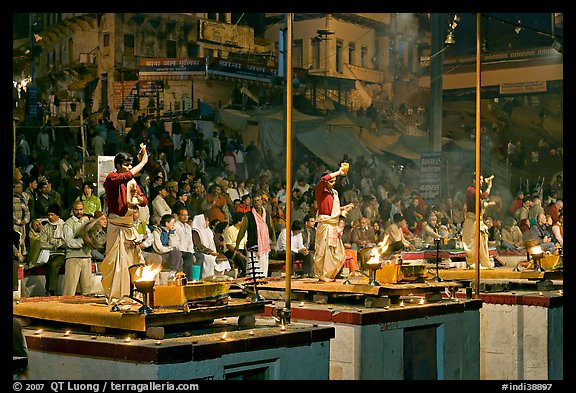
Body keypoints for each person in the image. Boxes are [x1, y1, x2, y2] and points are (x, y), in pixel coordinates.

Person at [101, 147, 149, 304]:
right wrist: (143, 162)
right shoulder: (112, 178)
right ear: (118, 165)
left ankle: (133, 294)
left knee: (133, 263)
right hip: (117, 226)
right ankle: (117, 296)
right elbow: (127, 176)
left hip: (129, 227)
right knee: (116, 265)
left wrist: (138, 198)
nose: (129, 168)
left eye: (131, 165)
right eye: (126, 165)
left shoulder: (132, 182)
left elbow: (144, 200)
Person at [313, 163, 354, 282]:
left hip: (333, 225)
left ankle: (330, 274)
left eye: (335, 181)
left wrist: (344, 208)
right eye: (331, 181)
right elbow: (323, 179)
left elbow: (334, 210)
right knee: (323, 251)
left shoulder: (334, 193)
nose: (333, 183)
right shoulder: (320, 190)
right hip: (325, 225)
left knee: (336, 252)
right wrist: (339, 172)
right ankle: (323, 275)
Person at [235, 193, 277, 278]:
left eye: (258, 200)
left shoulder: (267, 215)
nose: (256, 203)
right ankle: (251, 288)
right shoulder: (248, 216)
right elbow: (242, 232)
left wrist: (274, 243)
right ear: (252, 203)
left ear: (262, 201)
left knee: (263, 270)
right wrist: (237, 244)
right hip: (253, 246)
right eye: (254, 201)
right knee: (252, 271)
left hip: (264, 247)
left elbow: (271, 229)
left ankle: (261, 288)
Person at [462, 173, 494, 268]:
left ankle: (483, 262)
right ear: (473, 180)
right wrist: (489, 187)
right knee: (471, 244)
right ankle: (472, 263)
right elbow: (484, 196)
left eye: (481, 180)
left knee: (482, 241)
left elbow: (481, 203)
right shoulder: (470, 190)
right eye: (479, 180)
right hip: (471, 220)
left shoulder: (477, 190)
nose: (481, 182)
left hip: (478, 220)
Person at [62, 200, 93, 296]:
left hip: (87, 256)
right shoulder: (69, 223)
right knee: (70, 289)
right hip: (73, 257)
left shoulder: (86, 222)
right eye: (76, 210)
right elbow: (69, 242)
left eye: (81, 209)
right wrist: (84, 241)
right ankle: (65, 310)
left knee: (87, 289)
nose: (79, 212)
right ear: (72, 210)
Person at [191, 213, 231, 278]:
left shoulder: (208, 231)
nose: (208, 222)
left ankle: (219, 277)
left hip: (211, 252)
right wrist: (209, 252)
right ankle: (208, 277)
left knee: (223, 260)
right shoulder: (195, 231)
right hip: (202, 252)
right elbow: (198, 245)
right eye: (206, 221)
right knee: (210, 259)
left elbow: (213, 243)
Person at [39, 203, 66, 296]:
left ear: (58, 215)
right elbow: (42, 243)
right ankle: (49, 290)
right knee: (48, 264)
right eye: (49, 215)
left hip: (61, 254)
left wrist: (52, 241)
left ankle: (51, 290)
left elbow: (65, 242)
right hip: (48, 253)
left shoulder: (64, 226)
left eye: (52, 215)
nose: (50, 217)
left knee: (53, 264)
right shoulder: (45, 227)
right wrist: (55, 244)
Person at [174, 207, 204, 279]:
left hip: (187, 251)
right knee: (189, 256)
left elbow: (190, 242)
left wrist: (191, 252)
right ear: (178, 216)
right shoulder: (175, 226)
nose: (185, 217)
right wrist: (189, 253)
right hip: (179, 250)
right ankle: (188, 278)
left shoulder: (188, 227)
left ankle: (196, 278)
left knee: (200, 256)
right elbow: (176, 242)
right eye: (183, 215)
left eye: (186, 215)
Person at [223, 212, 248, 277]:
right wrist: (238, 253)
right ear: (239, 221)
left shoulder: (244, 230)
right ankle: (245, 271)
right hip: (232, 250)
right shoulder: (230, 230)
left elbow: (245, 244)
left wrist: (248, 253)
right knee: (239, 257)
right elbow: (228, 245)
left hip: (242, 250)